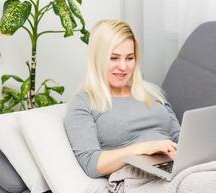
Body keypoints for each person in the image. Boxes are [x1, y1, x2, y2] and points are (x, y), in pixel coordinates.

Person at [64, 19, 180, 178]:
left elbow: (180, 139)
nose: (124, 67)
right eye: (114, 58)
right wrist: (140, 149)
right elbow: (91, 163)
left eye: (130, 58)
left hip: (175, 168)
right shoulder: (83, 103)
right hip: (136, 176)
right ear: (98, 59)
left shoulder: (152, 93)